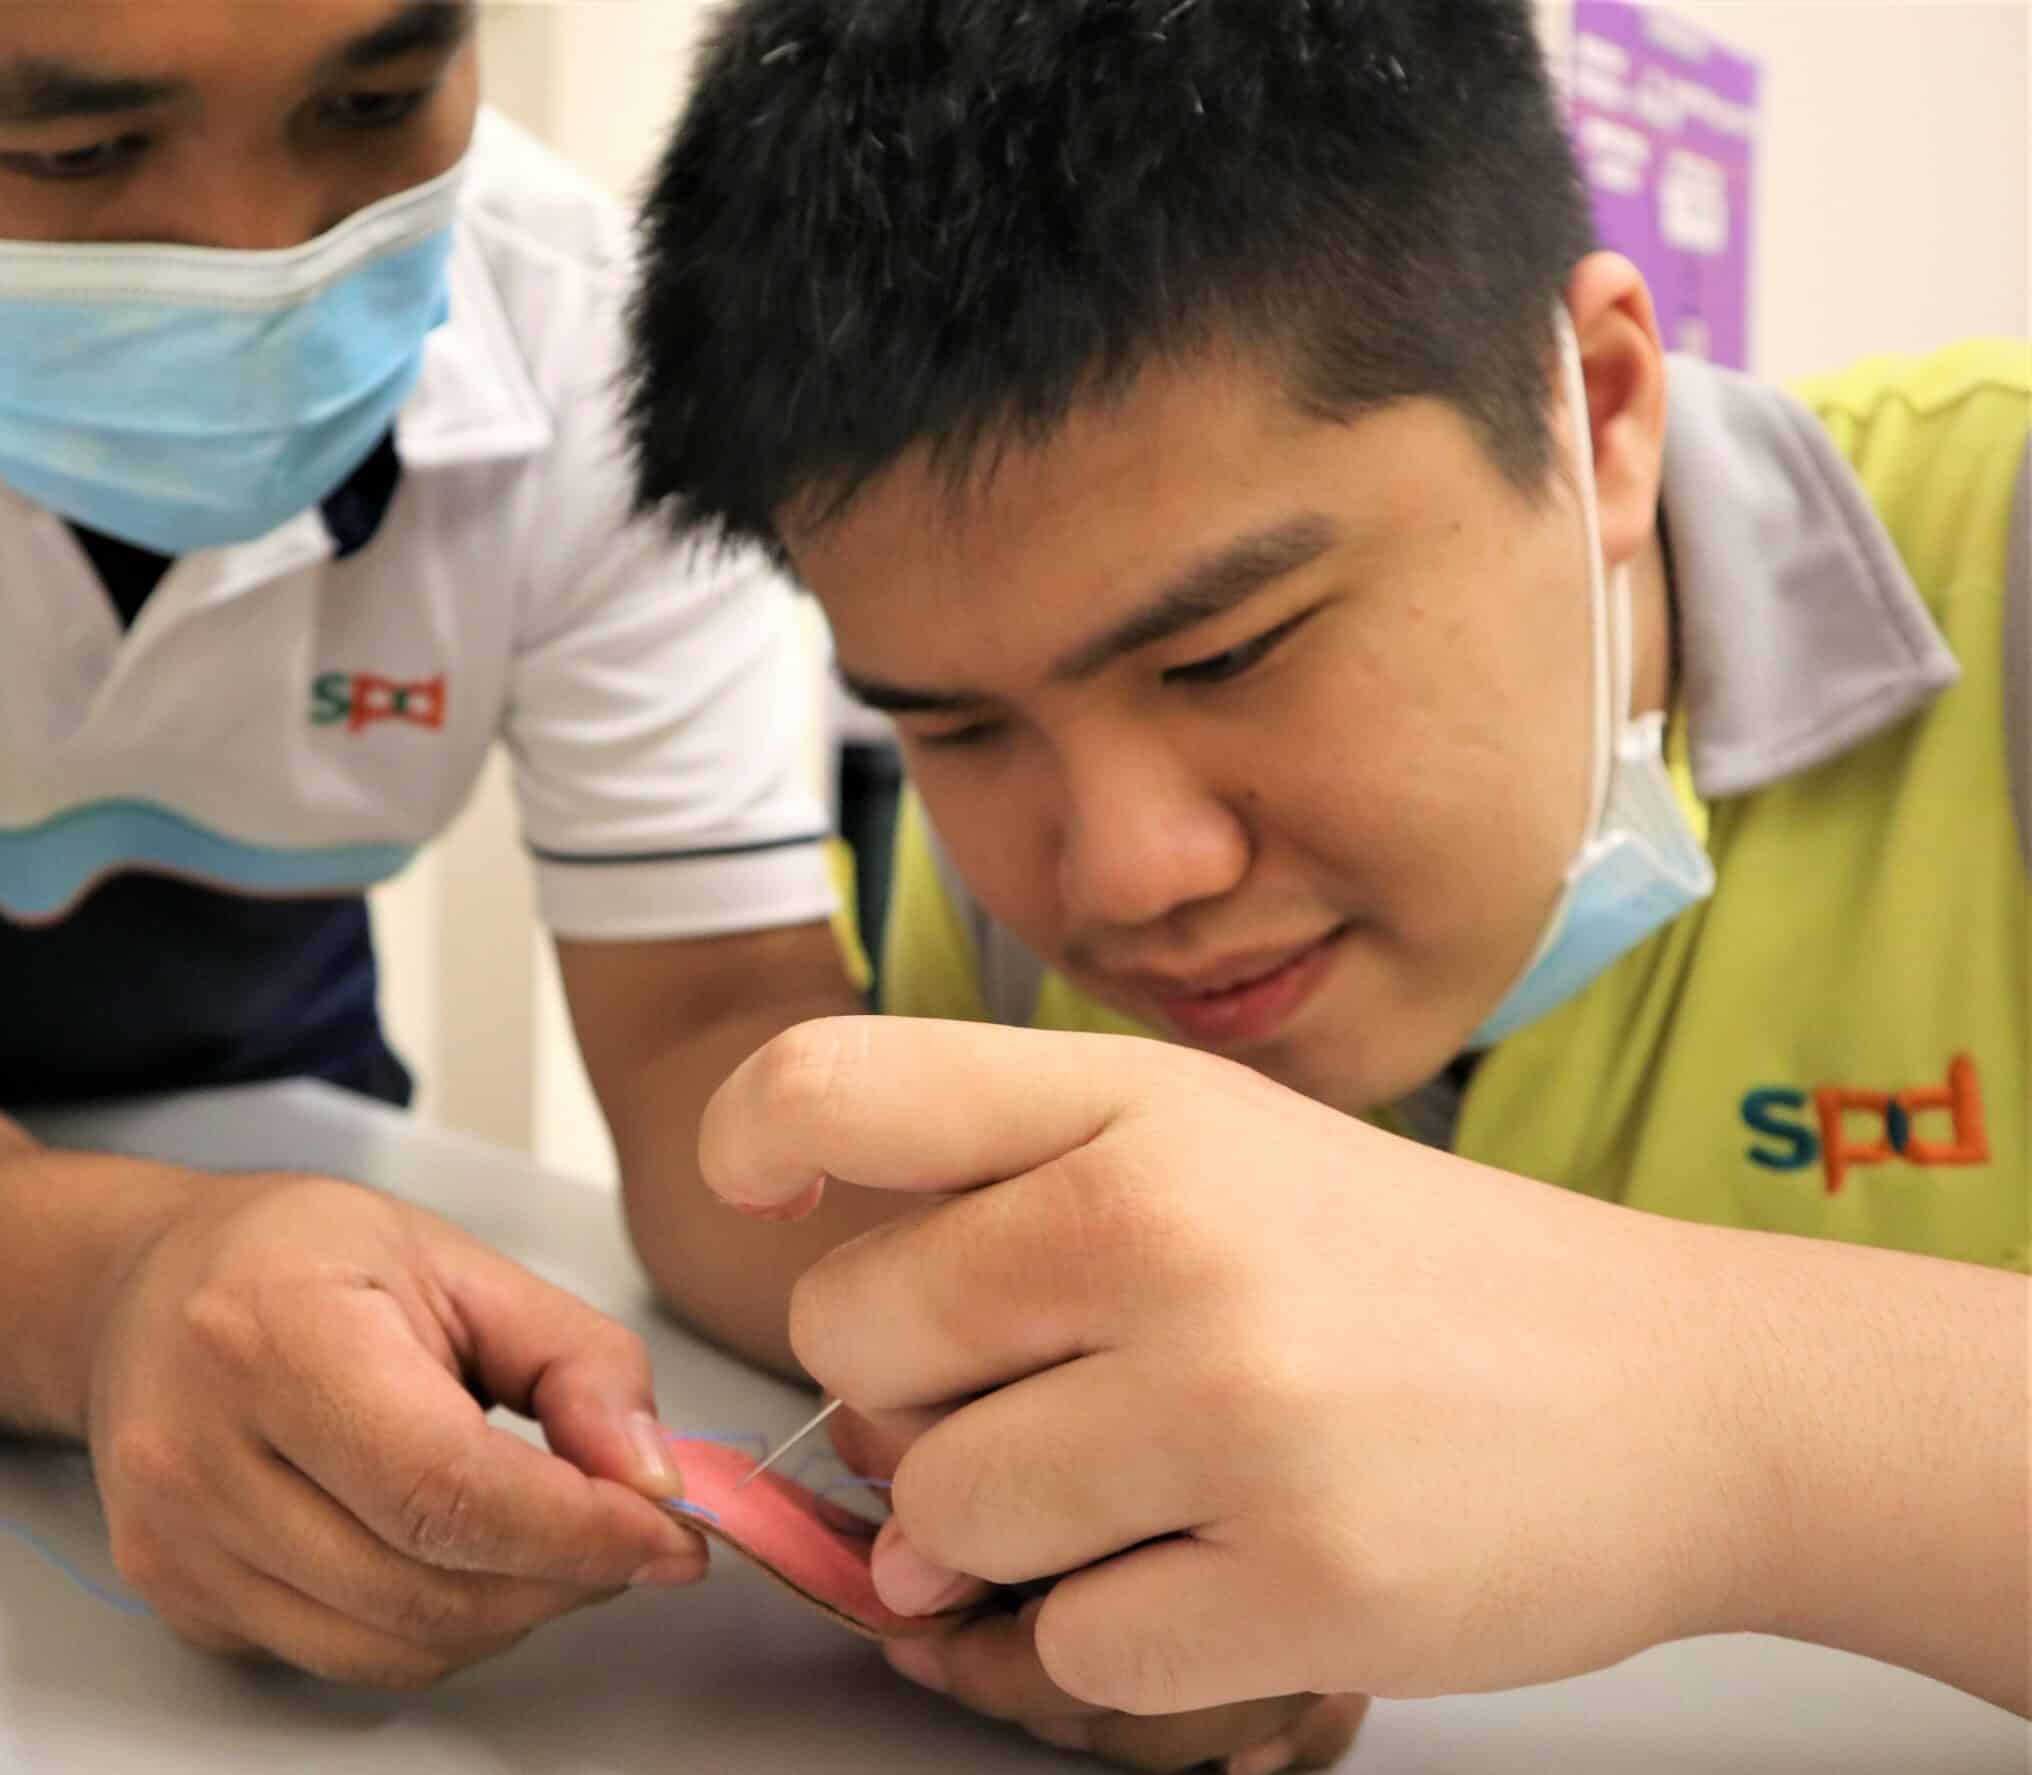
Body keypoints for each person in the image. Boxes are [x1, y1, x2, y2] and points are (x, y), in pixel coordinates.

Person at [620, 0, 2030, 1766]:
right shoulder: (1005, 879)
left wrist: (1714, 1415)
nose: (1127, 876)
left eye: (1227, 655)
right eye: (958, 728)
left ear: (1596, 409)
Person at [0, 0, 869, 1689]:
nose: (256, 255)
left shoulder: (602, 337)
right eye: (75, 149)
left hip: (284, 1117)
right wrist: (118, 1285)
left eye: (373, 96)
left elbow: (719, 1035)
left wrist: (1031, 1334)